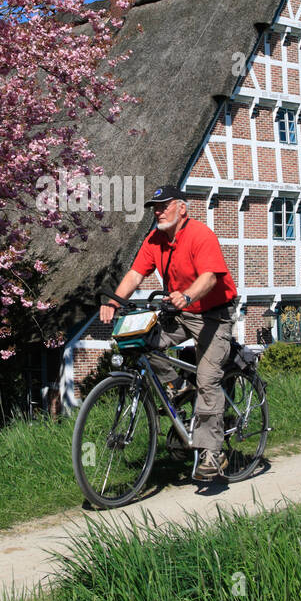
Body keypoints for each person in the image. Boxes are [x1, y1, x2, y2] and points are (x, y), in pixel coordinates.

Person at [98, 185, 239, 481]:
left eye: (164, 206)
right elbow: (136, 274)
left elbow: (210, 277)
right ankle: (174, 386)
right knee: (139, 343)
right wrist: (114, 301)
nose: (158, 212)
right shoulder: (156, 239)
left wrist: (187, 296)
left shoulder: (200, 234)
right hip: (180, 312)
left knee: (207, 377)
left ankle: (213, 453)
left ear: (182, 208)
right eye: (155, 207)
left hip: (214, 315)